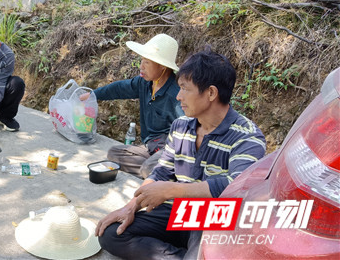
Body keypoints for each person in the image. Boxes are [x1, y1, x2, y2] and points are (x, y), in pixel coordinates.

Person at [95, 48, 267, 260]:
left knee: (211, 248)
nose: (178, 96)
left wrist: (171, 190)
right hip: (178, 212)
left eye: (185, 89)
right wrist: (130, 207)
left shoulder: (247, 137)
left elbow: (236, 187)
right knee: (112, 234)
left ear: (211, 93)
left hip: (212, 219)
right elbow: (161, 172)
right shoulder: (181, 125)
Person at [82, 34, 183, 179]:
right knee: (114, 154)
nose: (141, 66)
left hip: (169, 149)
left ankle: (159, 172)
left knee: (148, 168)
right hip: (150, 147)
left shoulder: (176, 94)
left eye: (147, 62)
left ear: (162, 66)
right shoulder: (144, 83)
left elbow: (187, 131)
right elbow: (118, 89)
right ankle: (157, 173)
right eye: (142, 60)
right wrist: (93, 95)